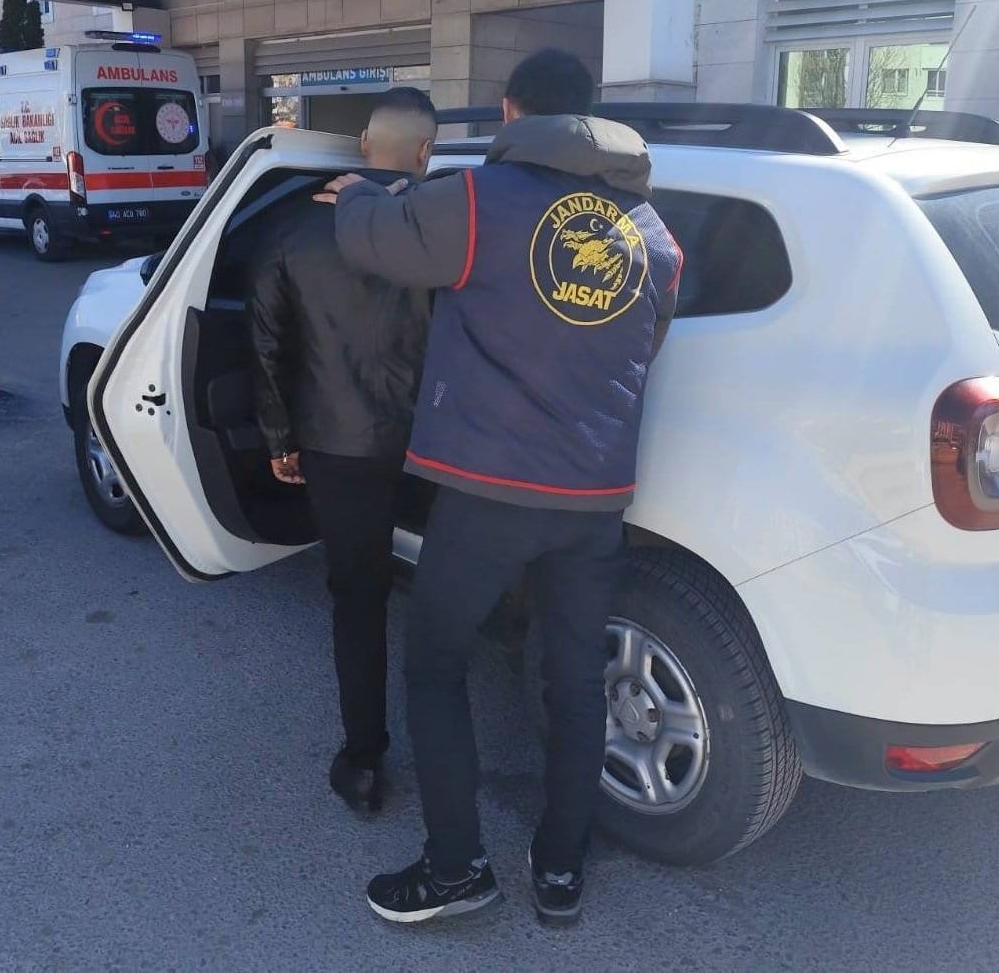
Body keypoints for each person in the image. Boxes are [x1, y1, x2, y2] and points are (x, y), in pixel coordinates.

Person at [319, 50, 682, 926]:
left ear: (513, 113)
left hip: (491, 491)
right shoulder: (652, 233)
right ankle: (560, 870)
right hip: (595, 495)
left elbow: (374, 241)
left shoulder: (478, 200)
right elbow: (647, 342)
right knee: (576, 681)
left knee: (436, 663)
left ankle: (456, 868)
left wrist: (360, 192)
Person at [246, 87, 436, 813]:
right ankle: (451, 742)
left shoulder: (294, 228)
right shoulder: (446, 225)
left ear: (363, 145)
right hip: (441, 444)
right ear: (426, 153)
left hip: (337, 444)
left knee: (359, 600)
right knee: (449, 595)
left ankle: (363, 762)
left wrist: (279, 438)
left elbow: (266, 344)